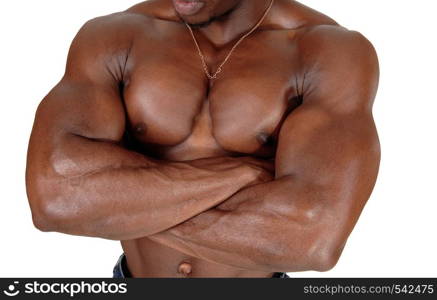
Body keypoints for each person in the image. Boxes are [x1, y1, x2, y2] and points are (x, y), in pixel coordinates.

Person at [26, 0, 380, 278]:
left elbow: (311, 238)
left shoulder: (327, 51)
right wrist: (242, 174)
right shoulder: (115, 37)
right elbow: (56, 198)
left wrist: (111, 203)